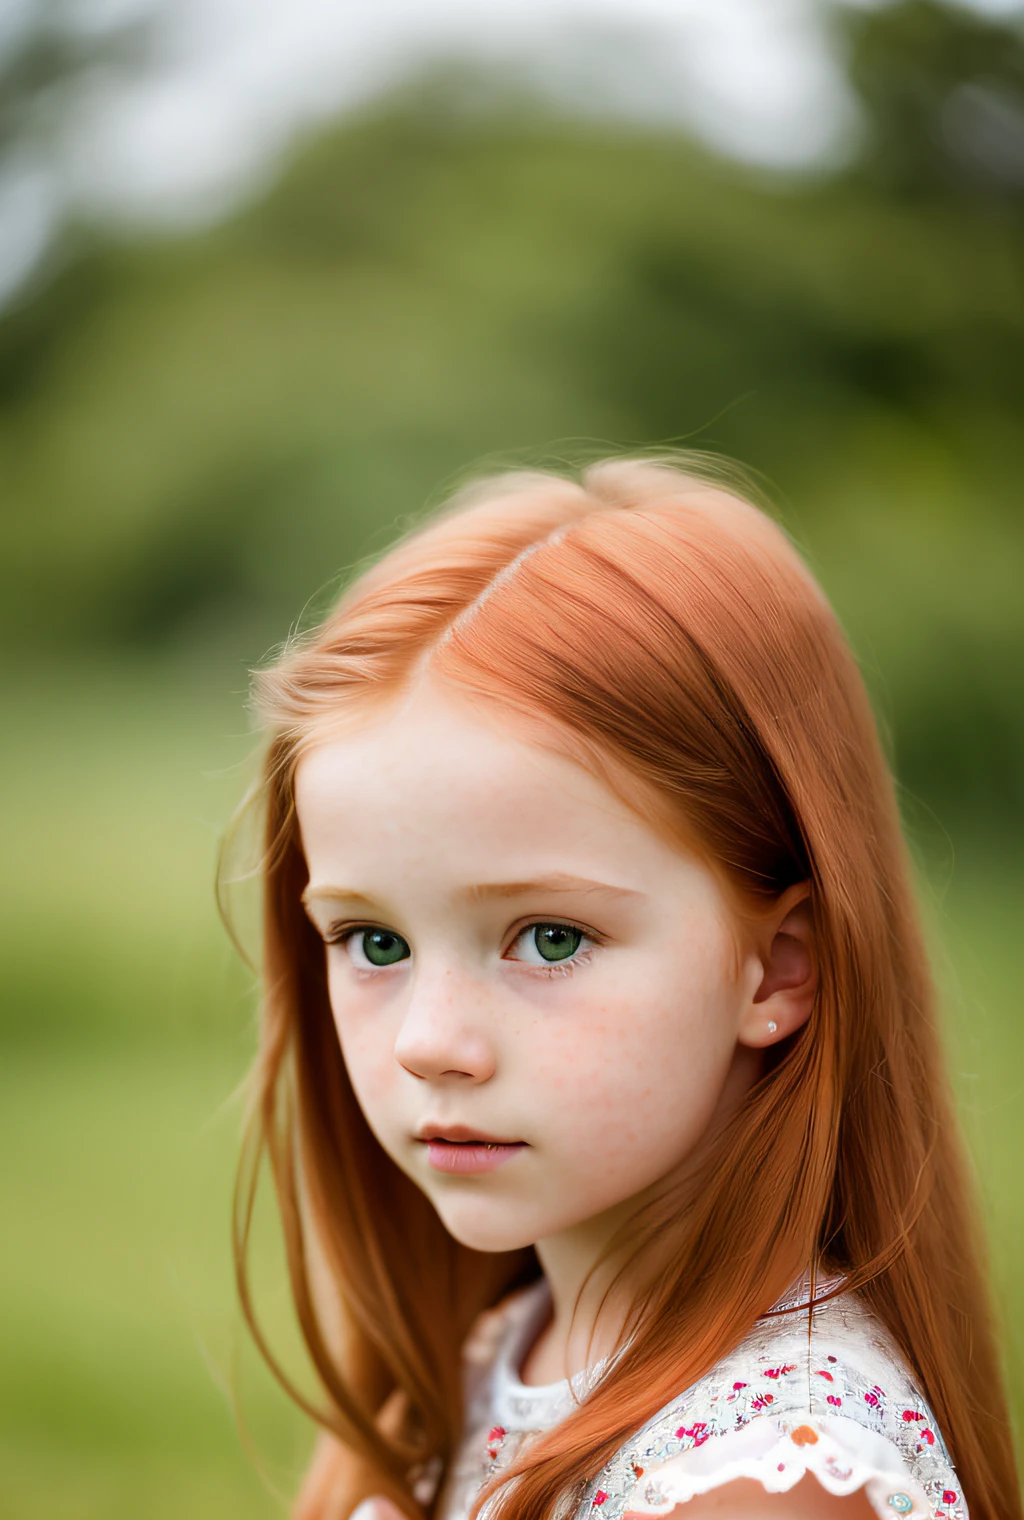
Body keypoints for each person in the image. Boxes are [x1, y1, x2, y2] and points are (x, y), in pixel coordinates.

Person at [223, 458, 1020, 1520]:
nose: (429, 1040)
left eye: (548, 937)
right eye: (372, 940)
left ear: (780, 966)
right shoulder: (499, 1349)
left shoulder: (763, 1476)